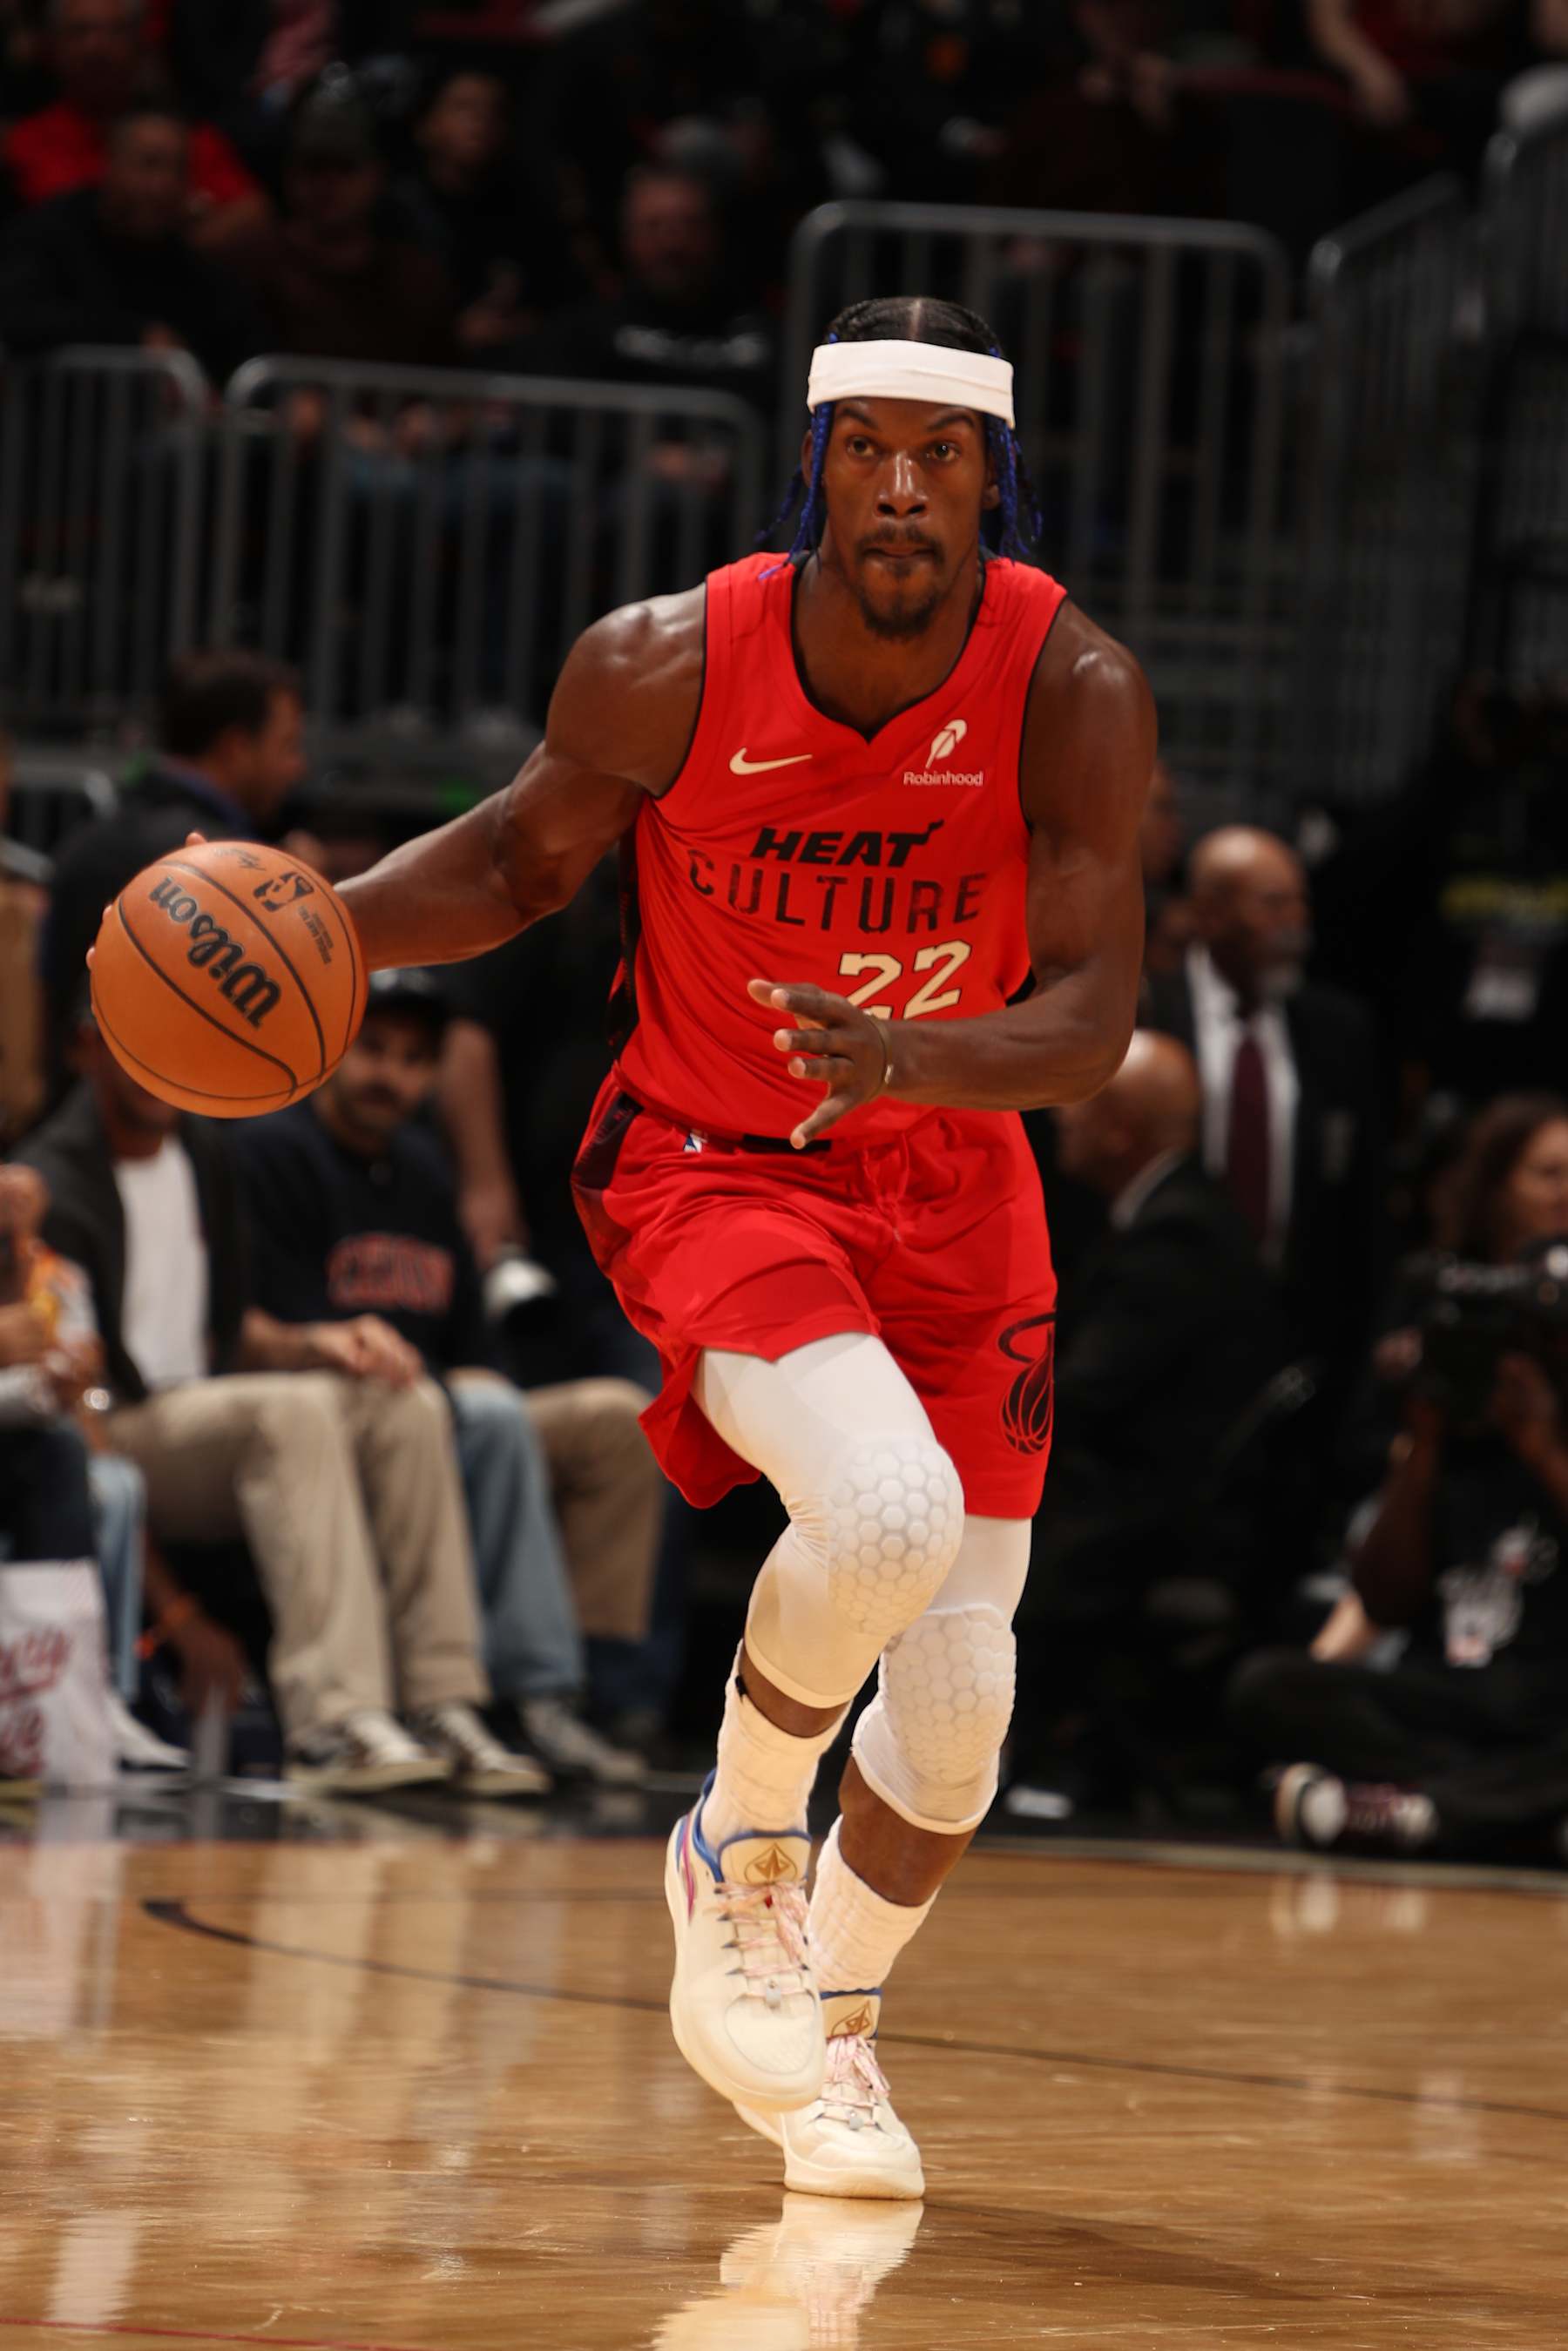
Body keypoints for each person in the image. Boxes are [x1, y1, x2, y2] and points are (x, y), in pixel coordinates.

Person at [324, 294, 1154, 2198]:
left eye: (941, 455)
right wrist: (326, 921)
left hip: (956, 1181)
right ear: (813, 462)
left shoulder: (1071, 687)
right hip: (725, 1161)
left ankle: (830, 2034)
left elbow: (1095, 1019)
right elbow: (523, 863)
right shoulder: (668, 661)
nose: (901, 486)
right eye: (866, 445)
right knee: (878, 1507)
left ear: (995, 484)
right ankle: (738, 1846)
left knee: (960, 1728)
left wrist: (916, 1053)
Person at [18, 1010, 549, 1799]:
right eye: (137, 1042)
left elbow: (230, 1335)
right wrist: (182, 1615)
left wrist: (325, 1343)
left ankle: (443, 1701)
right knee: (293, 1413)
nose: (160, 1064)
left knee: (403, 1401)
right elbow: (71, 1412)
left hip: (212, 1410)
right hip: (117, 1426)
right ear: (87, 1048)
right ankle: (335, 1718)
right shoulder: (54, 1182)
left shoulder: (202, 1147)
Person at [231, 968, 655, 1786]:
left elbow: (475, 1348)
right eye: (373, 1050)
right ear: (331, 1050)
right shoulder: (272, 1152)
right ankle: (515, 1695)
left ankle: (582, 1697)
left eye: (413, 1058)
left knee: (614, 1418)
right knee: (483, 1416)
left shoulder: (425, 1169)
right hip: (340, 1403)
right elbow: (253, 1329)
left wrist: (471, 1383)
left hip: (432, 1402)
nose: (390, 1075)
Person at [1010, 1030, 1281, 1805]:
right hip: (1151, 1488)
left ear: (1121, 1127)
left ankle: (1009, 1756)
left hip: (1163, 1514)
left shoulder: (1179, 1233)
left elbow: (1085, 1391)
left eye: (1080, 1100)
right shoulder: (1171, 1213)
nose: (1061, 1115)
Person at [1142, 824, 1385, 1383]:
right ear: (1208, 914)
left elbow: (1362, 1199)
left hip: (1293, 1330)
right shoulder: (1149, 1009)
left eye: (1301, 904)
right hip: (1163, 1313)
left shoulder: (1337, 1030)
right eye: (1274, 905)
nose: (1295, 923)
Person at [40, 650, 306, 1092]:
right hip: (172, 1127)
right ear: (236, 748)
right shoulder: (239, 871)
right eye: (288, 745)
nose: (299, 766)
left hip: (68, 1121)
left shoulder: (83, 843)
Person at [0, 103, 265, 378]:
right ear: (110, 164)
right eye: (149, 164)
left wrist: (289, 396)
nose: (162, 186)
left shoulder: (189, 262)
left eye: (178, 170)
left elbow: (247, 345)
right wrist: (134, 335)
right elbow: (17, 316)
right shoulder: (50, 233)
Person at [3, 0, 266, 253]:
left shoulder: (179, 134)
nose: (96, 47)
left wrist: (152, 261)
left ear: (141, 44)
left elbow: (250, 216)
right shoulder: (21, 140)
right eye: (79, 32)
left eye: (115, 31)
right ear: (52, 46)